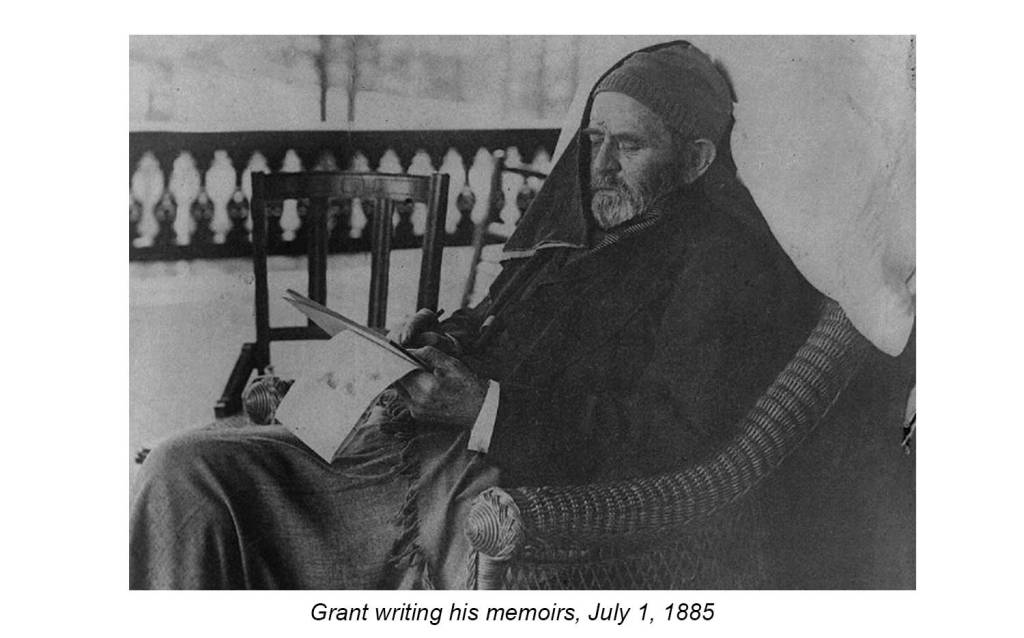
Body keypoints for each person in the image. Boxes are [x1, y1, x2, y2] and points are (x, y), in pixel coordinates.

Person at [129, 40, 818, 589]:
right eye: (593, 140)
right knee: (180, 474)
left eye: (629, 146)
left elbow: (671, 435)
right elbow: (502, 322)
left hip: (483, 482)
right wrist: (444, 339)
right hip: (423, 446)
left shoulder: (721, 266)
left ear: (696, 160)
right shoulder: (582, 233)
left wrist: (485, 407)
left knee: (188, 478)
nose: (599, 167)